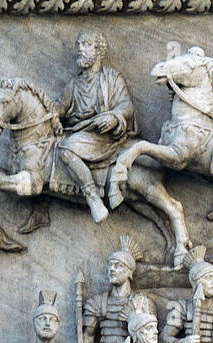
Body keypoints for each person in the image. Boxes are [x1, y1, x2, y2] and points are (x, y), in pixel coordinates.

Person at [55, 30, 137, 223]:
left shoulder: (111, 77)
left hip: (104, 136)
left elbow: (127, 105)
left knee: (66, 150)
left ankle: (92, 197)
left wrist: (114, 117)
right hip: (82, 133)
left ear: (98, 49)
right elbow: (59, 107)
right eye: (78, 45)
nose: (79, 49)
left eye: (85, 44)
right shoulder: (74, 84)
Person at [83, 236, 156, 343]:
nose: (112, 269)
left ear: (129, 272)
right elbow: (88, 334)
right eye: (110, 265)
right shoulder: (98, 302)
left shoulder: (141, 302)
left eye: (118, 266)